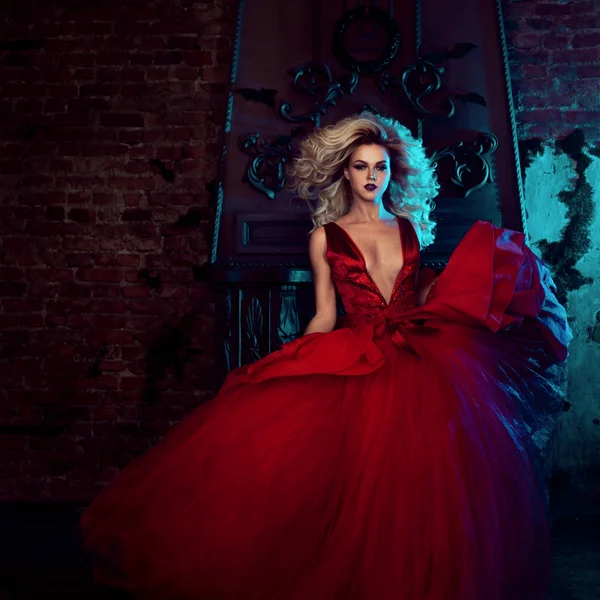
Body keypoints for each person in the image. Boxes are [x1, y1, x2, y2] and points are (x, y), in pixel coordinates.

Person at [79, 112, 572, 600]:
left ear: (392, 172)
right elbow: (323, 314)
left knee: (425, 480)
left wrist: (454, 291)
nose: (371, 177)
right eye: (361, 167)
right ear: (344, 172)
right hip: (356, 353)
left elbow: (417, 300)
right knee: (345, 478)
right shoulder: (325, 237)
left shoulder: (409, 230)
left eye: (380, 167)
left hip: (422, 355)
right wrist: (287, 361)